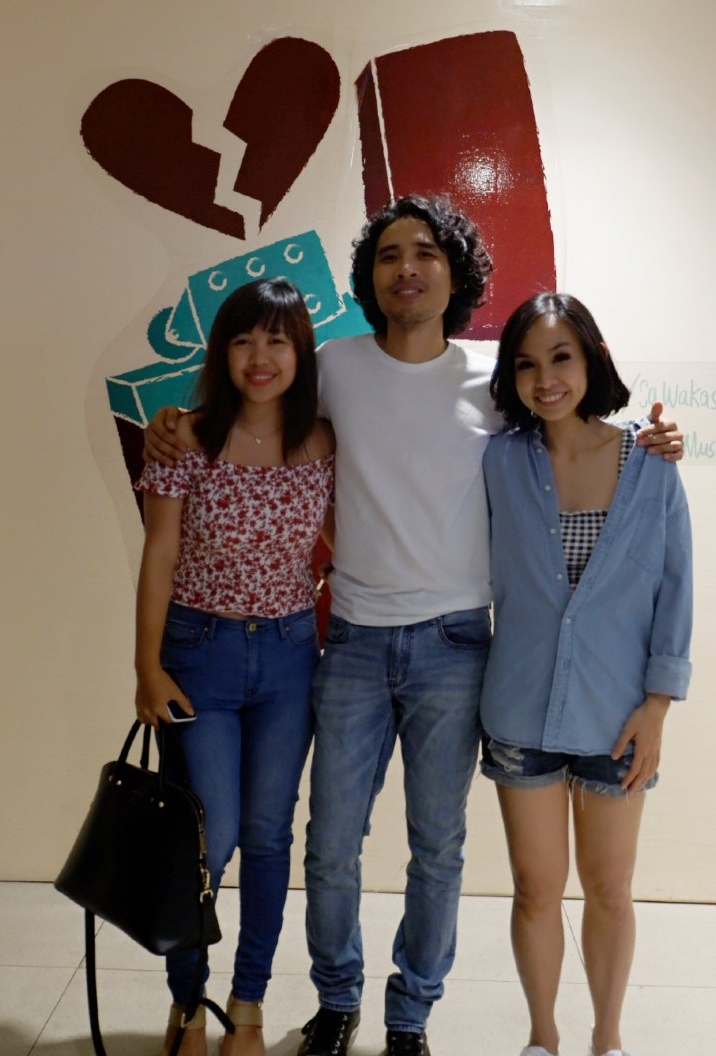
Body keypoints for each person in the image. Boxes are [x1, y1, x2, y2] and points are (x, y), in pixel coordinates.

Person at [143, 196, 683, 1056]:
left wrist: (650, 442)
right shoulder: (336, 368)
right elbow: (251, 403)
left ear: (452, 271)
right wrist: (172, 422)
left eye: (425, 252)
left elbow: (572, 423)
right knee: (330, 846)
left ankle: (410, 1015)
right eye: (389, 254)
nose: (407, 268)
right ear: (370, 276)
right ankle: (337, 1000)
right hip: (352, 641)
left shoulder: (494, 380)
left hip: (456, 646)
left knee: (437, 848)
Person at [480, 293, 693, 1056]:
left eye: (560, 358)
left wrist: (657, 708)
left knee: (608, 889)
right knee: (536, 889)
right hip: (519, 710)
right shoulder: (498, 460)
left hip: (617, 715)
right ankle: (542, 1038)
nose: (545, 379)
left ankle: (607, 1039)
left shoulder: (650, 464)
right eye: (525, 364)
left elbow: (675, 589)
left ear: (591, 359)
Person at [134, 277, 334, 1056]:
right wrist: (146, 667)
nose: (260, 357)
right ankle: (187, 1001)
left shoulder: (324, 441)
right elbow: (159, 555)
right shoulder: (184, 438)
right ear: (221, 351)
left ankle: (246, 1002)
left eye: (277, 341)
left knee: (268, 835)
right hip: (199, 655)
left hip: (289, 657)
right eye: (244, 340)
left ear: (300, 352)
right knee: (206, 841)